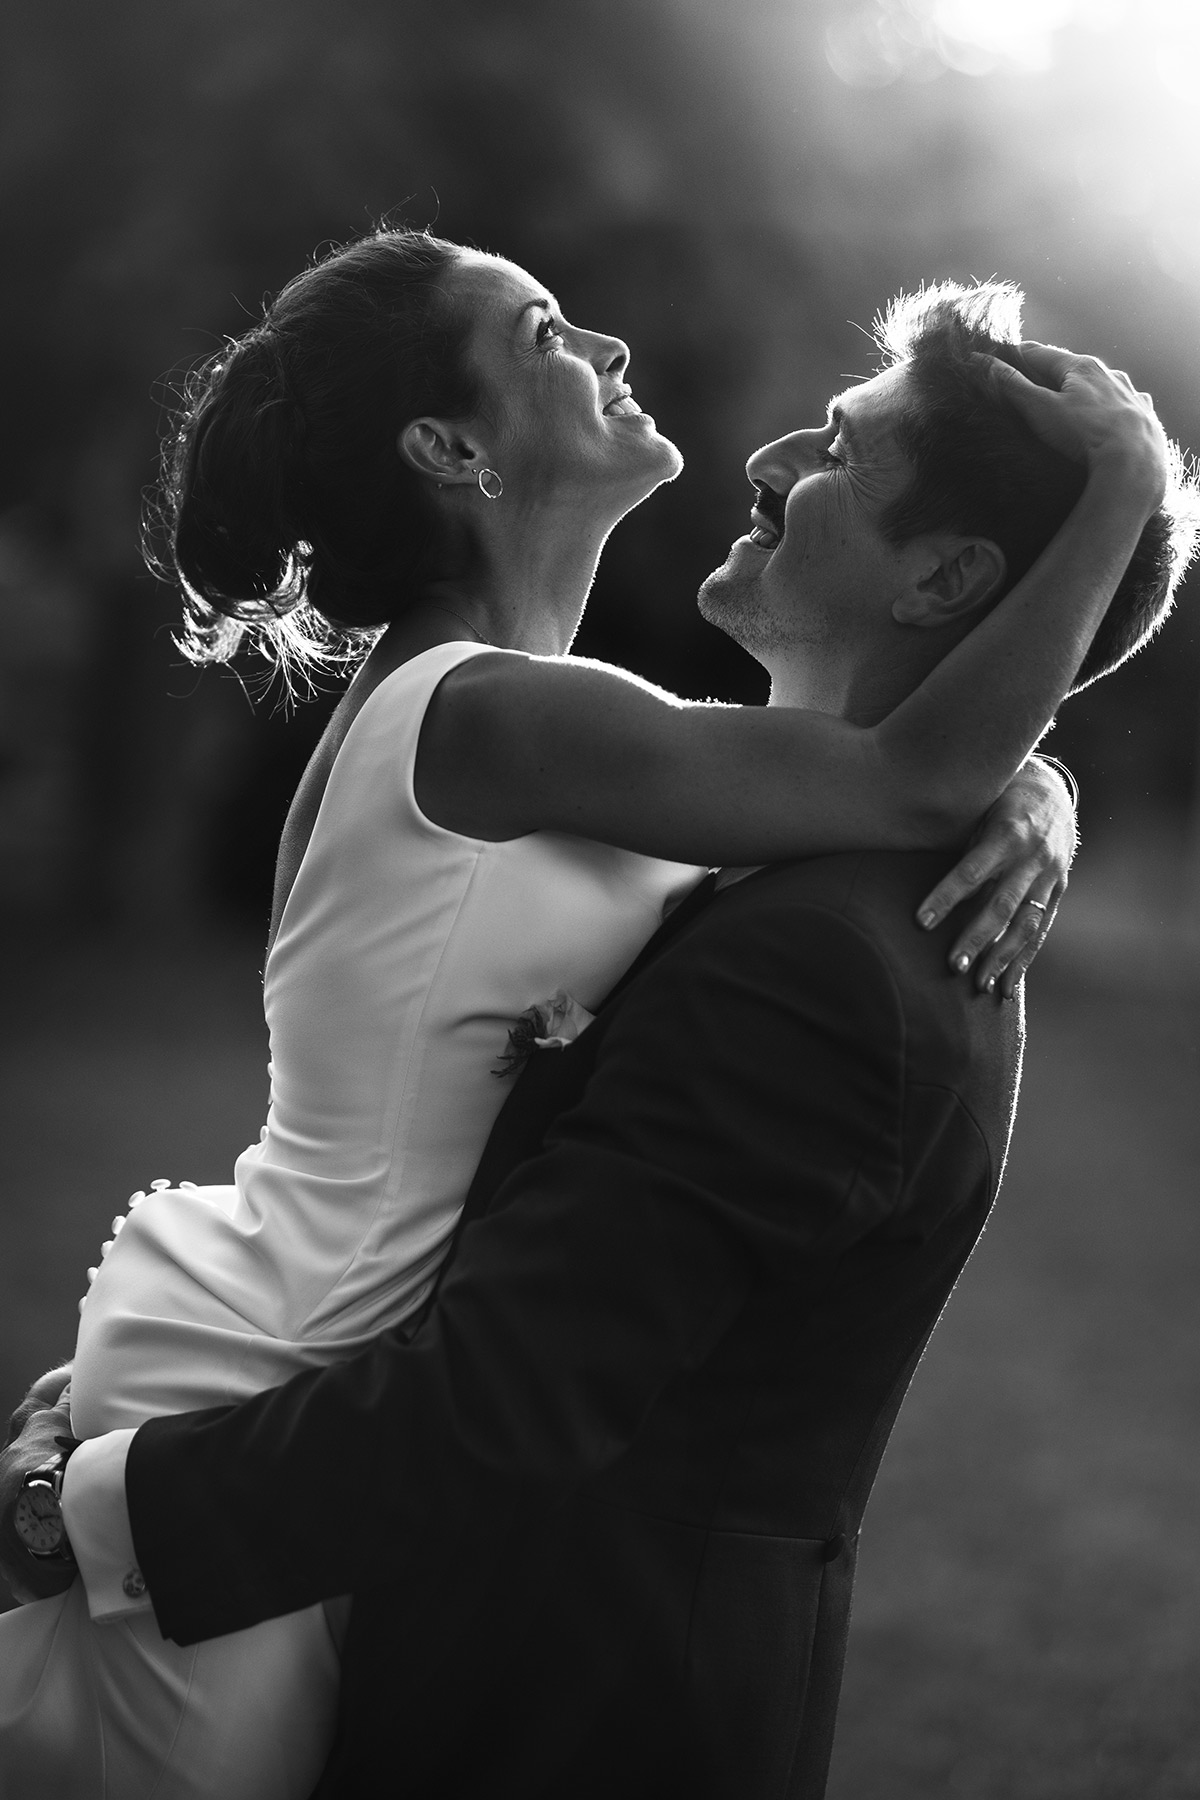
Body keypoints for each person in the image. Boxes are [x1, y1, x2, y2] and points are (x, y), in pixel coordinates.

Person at [0, 246, 1180, 1797]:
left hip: (315, 1395)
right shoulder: (495, 713)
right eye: (549, 332)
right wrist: (1122, 493)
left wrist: (1036, 782)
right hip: (278, 1379)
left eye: (838, 448)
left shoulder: (567, 734)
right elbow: (897, 778)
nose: (613, 342)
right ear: (451, 448)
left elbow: (849, 778)